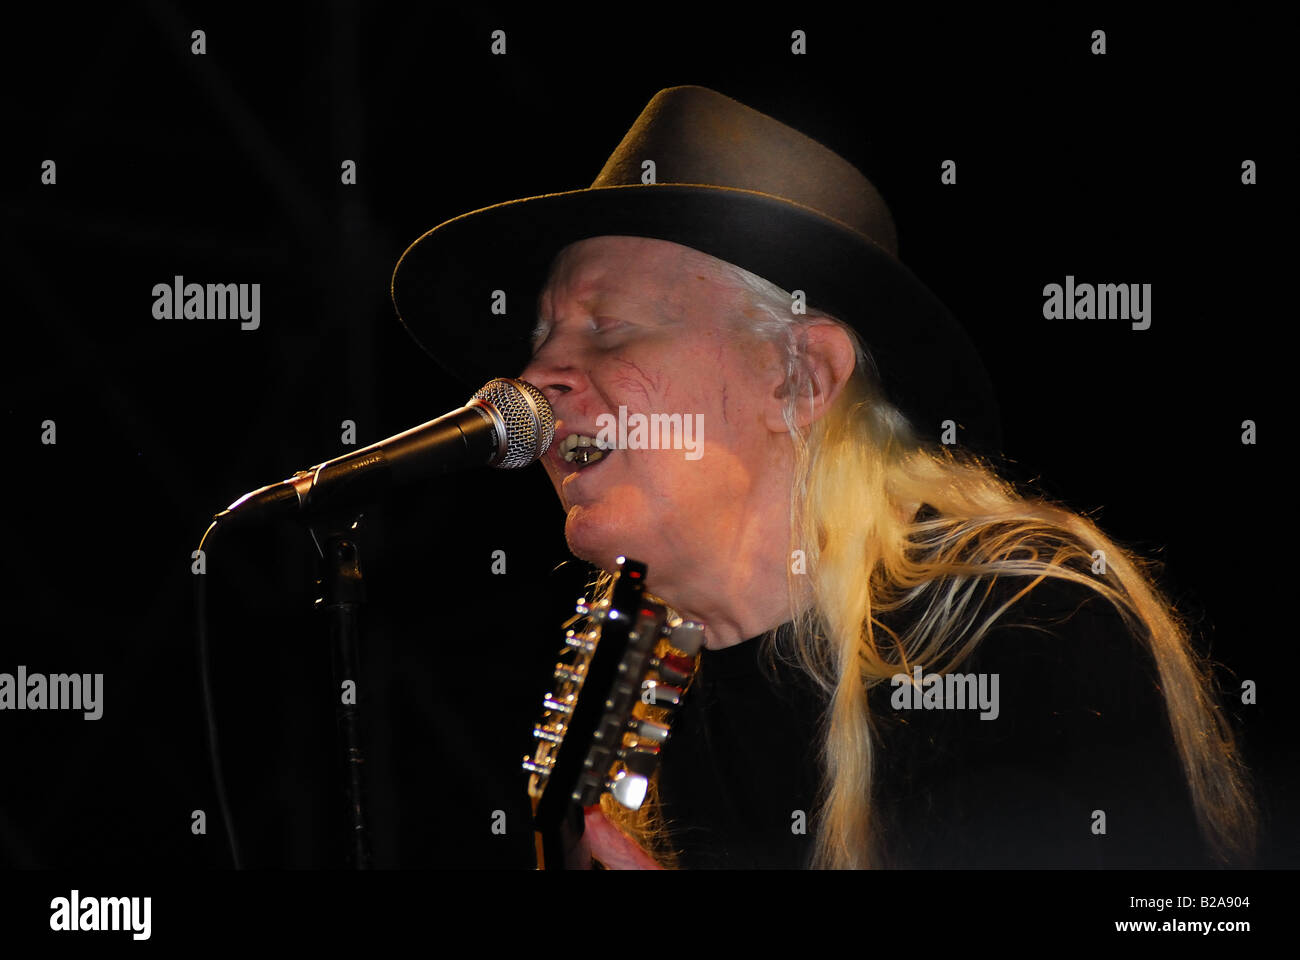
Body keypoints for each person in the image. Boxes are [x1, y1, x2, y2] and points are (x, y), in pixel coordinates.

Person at [392, 86, 1257, 869]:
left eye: (607, 329)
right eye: (540, 337)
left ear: (800, 379)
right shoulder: (638, 700)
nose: (533, 378)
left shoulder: (1026, 621)